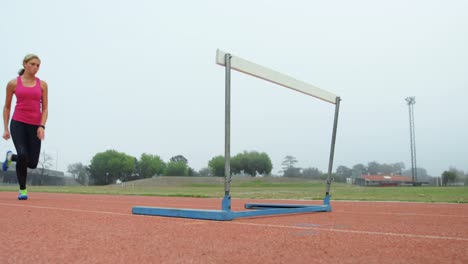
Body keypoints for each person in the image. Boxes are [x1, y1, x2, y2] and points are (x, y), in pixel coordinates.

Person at [2, 54, 49, 200]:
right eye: (33, 64)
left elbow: (45, 109)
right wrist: (5, 128)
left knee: (33, 163)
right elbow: (7, 107)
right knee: (23, 154)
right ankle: (23, 189)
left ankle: (11, 157)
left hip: (35, 126)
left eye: (38, 65)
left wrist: (42, 126)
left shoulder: (42, 85)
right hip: (18, 123)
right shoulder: (13, 84)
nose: (35, 67)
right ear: (25, 64)